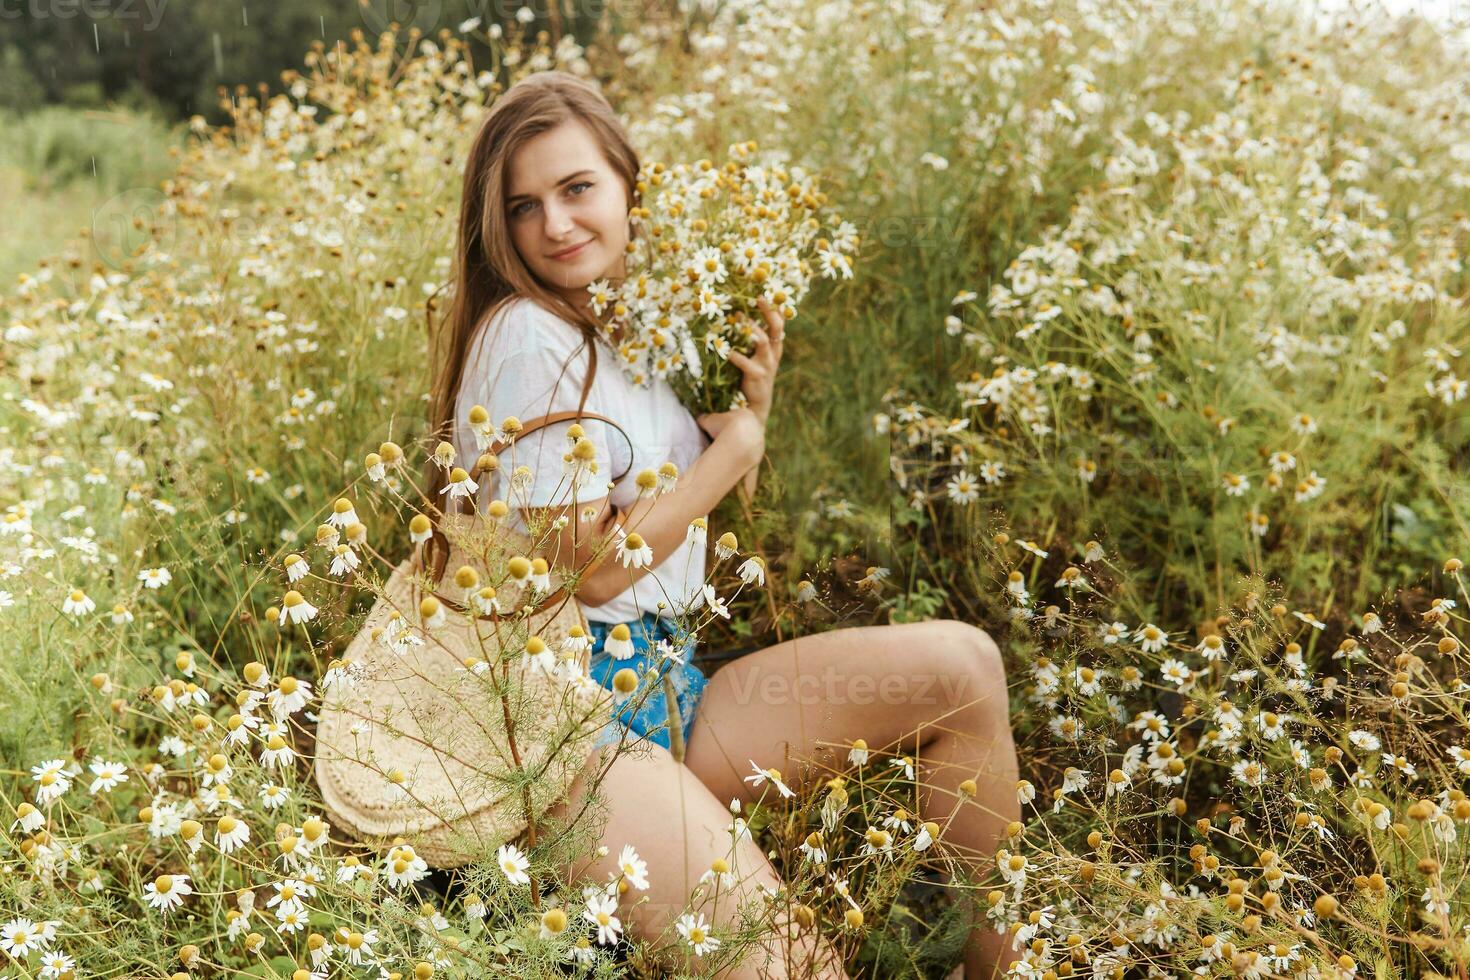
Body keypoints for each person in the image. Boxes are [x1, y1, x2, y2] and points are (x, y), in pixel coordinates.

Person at [424, 69, 1023, 980]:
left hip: (664, 679)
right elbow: (588, 572)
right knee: (797, 968)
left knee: (963, 670)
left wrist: (746, 411)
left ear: (630, 186)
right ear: (497, 229)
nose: (554, 224)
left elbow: (674, 521)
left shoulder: (633, 325)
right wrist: (733, 455)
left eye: (577, 189)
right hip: (561, 732)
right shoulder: (526, 336)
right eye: (522, 207)